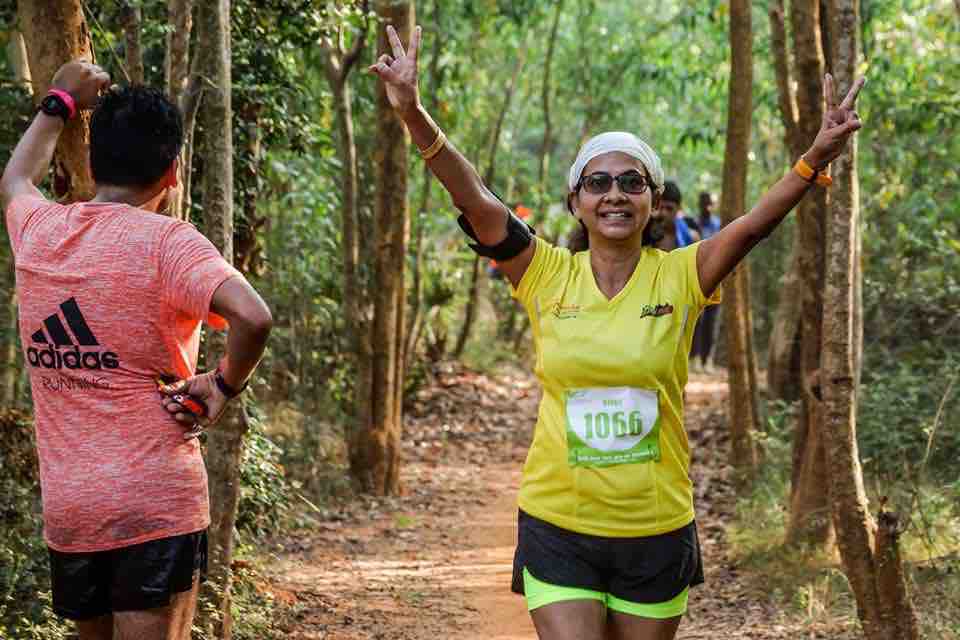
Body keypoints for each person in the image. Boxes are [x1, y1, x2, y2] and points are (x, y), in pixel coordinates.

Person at [370, 24, 863, 640]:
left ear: (655, 202)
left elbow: (753, 226)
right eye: (597, 182)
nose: (614, 194)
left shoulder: (683, 274)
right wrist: (414, 114)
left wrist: (813, 159)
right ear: (575, 200)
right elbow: (477, 200)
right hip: (558, 524)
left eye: (632, 182)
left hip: (654, 529)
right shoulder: (544, 271)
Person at [0, 61, 273, 640]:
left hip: (73, 509)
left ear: (92, 161)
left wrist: (59, 102)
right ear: (172, 172)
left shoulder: (39, 231)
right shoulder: (168, 244)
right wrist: (221, 388)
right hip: (155, 504)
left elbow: (16, 180)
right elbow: (253, 316)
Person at [691, 192, 722, 371]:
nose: (708, 207)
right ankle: (694, 358)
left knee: (711, 321)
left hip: (715, 278)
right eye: (705, 203)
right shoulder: (693, 223)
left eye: (710, 203)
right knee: (696, 321)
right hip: (696, 278)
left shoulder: (717, 224)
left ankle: (707, 360)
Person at [655, 180, 700, 251]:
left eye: (669, 208)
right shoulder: (645, 235)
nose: (663, 213)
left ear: (678, 208)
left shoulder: (691, 237)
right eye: (660, 207)